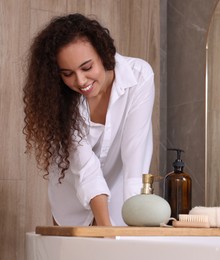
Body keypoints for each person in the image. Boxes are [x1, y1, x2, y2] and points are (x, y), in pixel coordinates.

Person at [23, 13, 155, 226]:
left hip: (122, 200)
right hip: (72, 201)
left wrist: (134, 225)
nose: (80, 81)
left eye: (86, 68)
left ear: (103, 53)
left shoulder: (139, 77)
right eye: (67, 74)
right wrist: (105, 229)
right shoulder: (62, 101)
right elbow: (86, 168)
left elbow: (135, 158)